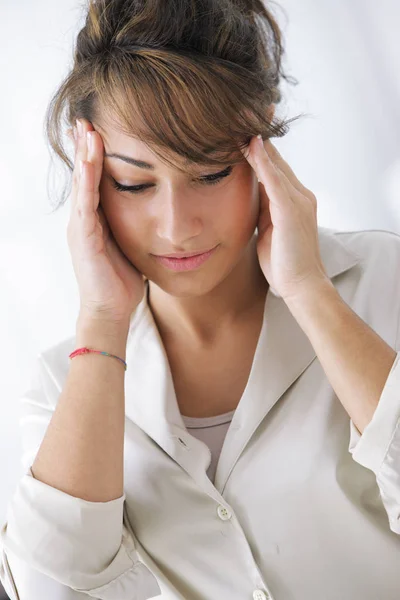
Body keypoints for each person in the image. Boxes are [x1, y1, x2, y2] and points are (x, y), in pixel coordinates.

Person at [1, 1, 400, 599]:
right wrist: (104, 322)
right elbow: (55, 587)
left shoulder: (383, 281)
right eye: (134, 183)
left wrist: (309, 291)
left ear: (260, 142)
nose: (177, 225)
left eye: (211, 173)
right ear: (93, 179)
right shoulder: (64, 383)